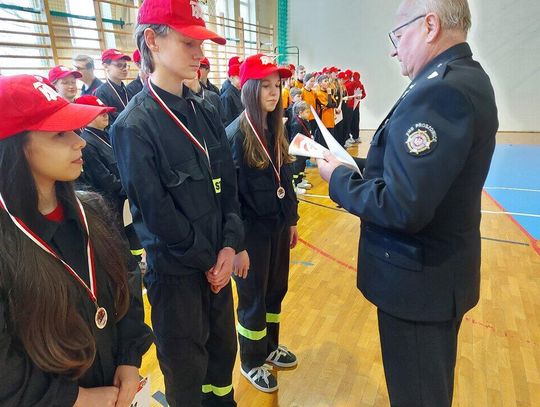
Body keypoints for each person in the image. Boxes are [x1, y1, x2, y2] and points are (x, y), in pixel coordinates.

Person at [317, 1, 498, 406]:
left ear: (430, 26)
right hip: (433, 279)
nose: (393, 49)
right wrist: (355, 166)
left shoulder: (439, 91)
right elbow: (415, 174)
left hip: (418, 284)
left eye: (398, 35)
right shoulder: (464, 77)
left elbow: (402, 205)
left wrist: (339, 180)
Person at [110, 0, 243, 406]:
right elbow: (157, 214)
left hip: (217, 265)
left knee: (222, 357)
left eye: (200, 44)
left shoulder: (205, 109)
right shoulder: (134, 126)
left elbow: (229, 187)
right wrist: (210, 260)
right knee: (186, 372)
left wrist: (230, 245)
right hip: (178, 277)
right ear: (152, 40)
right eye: (189, 43)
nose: (199, 54)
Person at [0, 74, 153, 407]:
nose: (79, 141)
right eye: (59, 134)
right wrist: (77, 398)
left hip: (116, 388)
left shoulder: (92, 209)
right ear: (15, 148)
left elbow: (127, 278)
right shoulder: (8, 243)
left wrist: (129, 359)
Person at [226, 54, 299, 393]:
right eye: (265, 86)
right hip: (251, 235)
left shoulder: (275, 128)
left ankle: (269, 346)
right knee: (253, 297)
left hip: (277, 228)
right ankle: (252, 361)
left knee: (274, 290)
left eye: (278, 85)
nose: (274, 92)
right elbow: (230, 201)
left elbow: (286, 178)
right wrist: (237, 246)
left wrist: (291, 219)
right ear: (249, 89)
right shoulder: (236, 136)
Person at [74, 95, 144, 263]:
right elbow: (104, 179)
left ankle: (137, 262)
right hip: (112, 202)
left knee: (133, 237)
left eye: (105, 111)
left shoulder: (107, 134)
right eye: (99, 113)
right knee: (121, 242)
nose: (105, 115)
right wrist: (130, 185)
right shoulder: (87, 143)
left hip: (124, 197)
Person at [94, 49, 132, 125]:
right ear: (106, 66)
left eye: (125, 65)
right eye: (119, 65)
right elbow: (105, 123)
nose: (124, 69)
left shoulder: (128, 90)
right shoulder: (101, 93)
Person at [220, 63, 243, 127]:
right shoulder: (227, 96)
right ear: (232, 78)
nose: (242, 79)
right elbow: (227, 121)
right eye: (239, 77)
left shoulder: (242, 92)